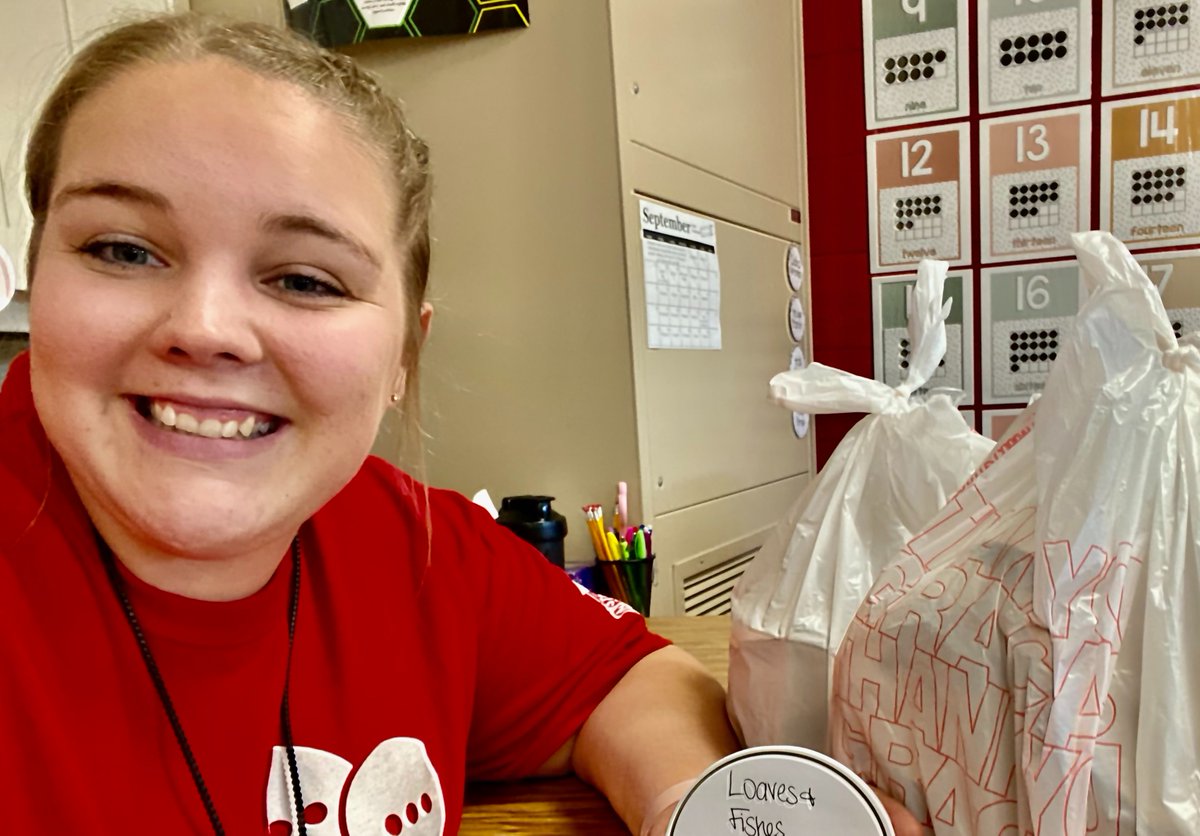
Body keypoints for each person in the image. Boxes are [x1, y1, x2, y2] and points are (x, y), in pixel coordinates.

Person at [0, 12, 919, 836]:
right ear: (36, 280)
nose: (203, 329)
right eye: (121, 250)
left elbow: (627, 677)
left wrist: (695, 810)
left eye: (305, 280)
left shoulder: (413, 546)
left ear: (404, 355)